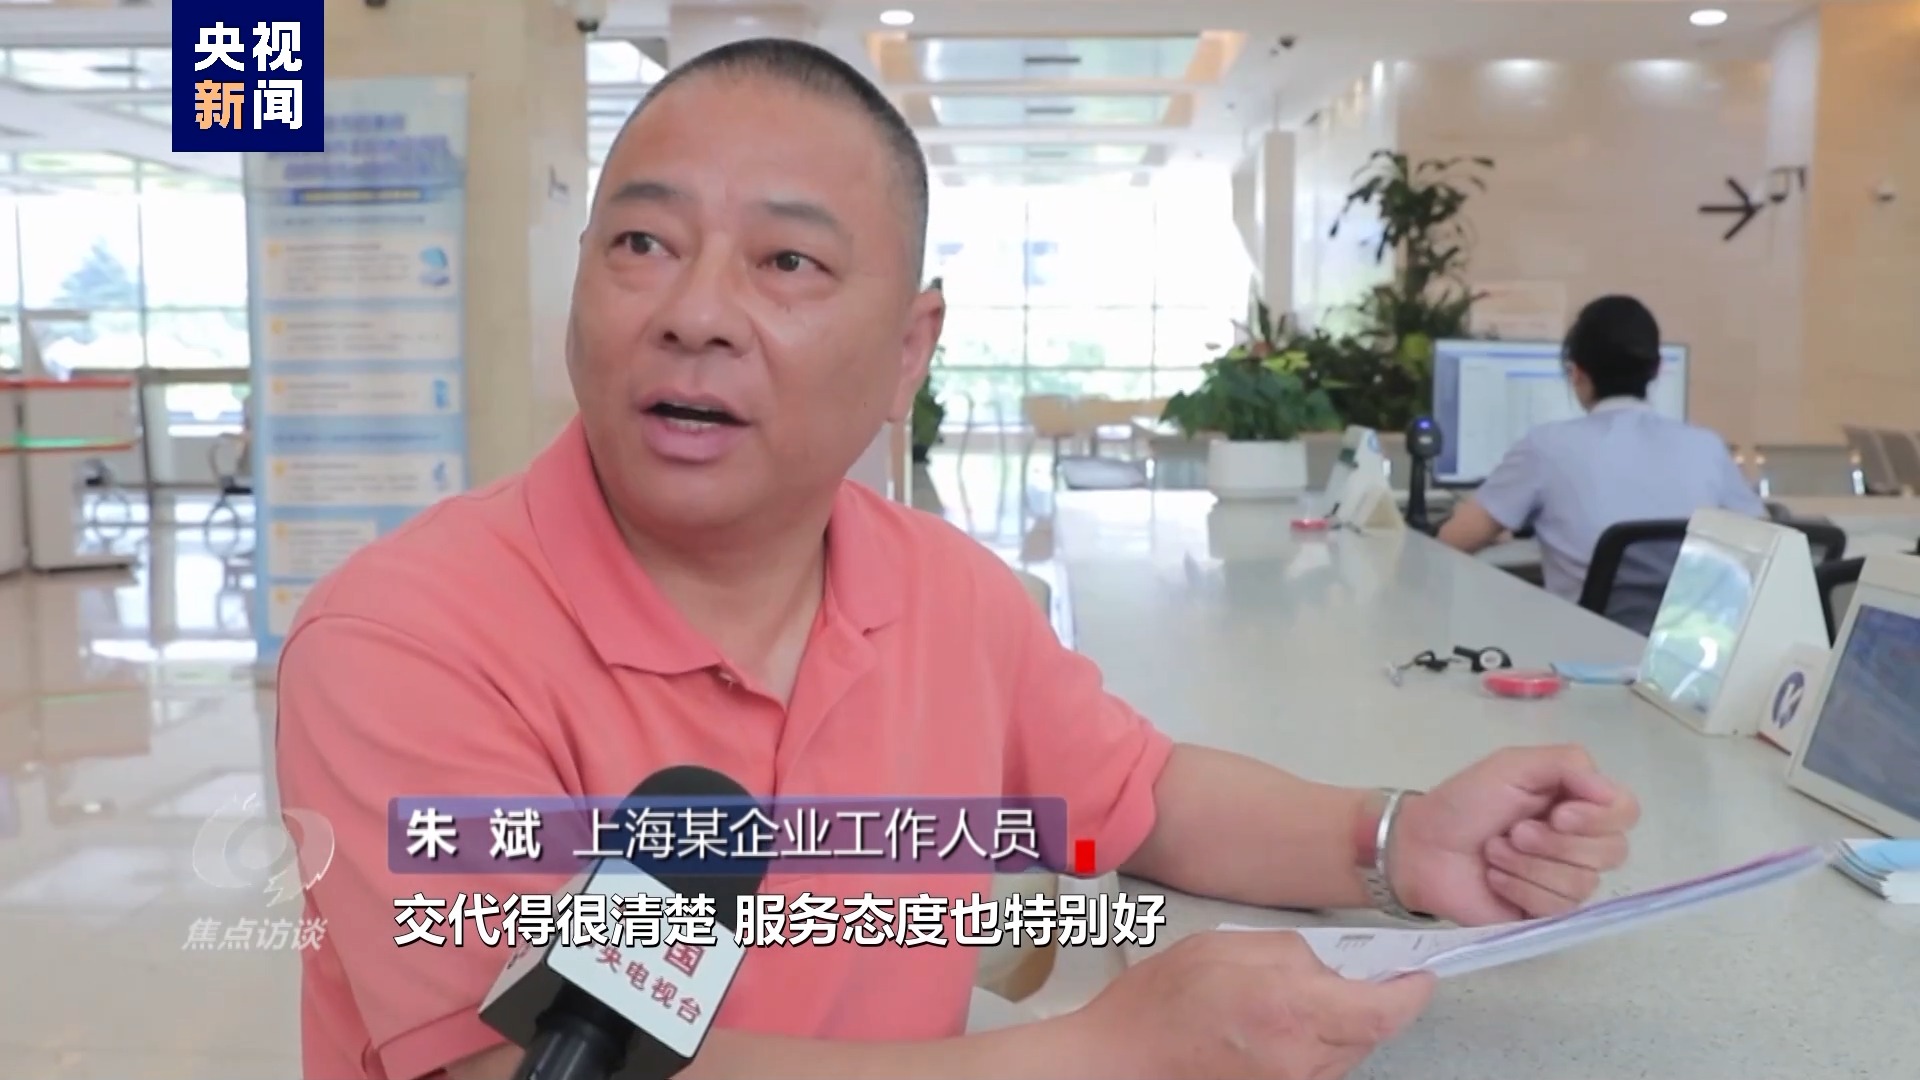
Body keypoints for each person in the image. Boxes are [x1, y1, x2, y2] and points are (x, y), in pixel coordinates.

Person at [276, 39, 1642, 1080]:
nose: (696, 313)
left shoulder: (945, 594)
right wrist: (1106, 1053)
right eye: (643, 243)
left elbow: (1141, 795)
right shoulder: (408, 638)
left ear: (909, 349)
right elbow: (531, 1070)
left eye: (787, 263)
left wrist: (1394, 838)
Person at [1438, 295, 1766, 634]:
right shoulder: (1706, 447)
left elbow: (1450, 543)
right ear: (1656, 370)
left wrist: (1500, 526)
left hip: (1584, 655)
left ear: (1577, 374)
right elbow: (1768, 546)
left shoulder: (1545, 446)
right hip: (1690, 656)